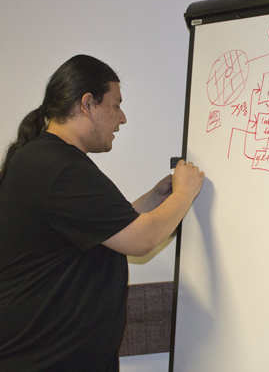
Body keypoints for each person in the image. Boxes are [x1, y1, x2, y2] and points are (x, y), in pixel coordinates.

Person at [0, 55, 204, 371]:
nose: (122, 118)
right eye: (115, 105)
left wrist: (158, 197)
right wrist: (185, 192)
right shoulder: (62, 169)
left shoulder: (43, 158)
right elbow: (141, 240)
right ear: (87, 104)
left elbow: (106, 231)